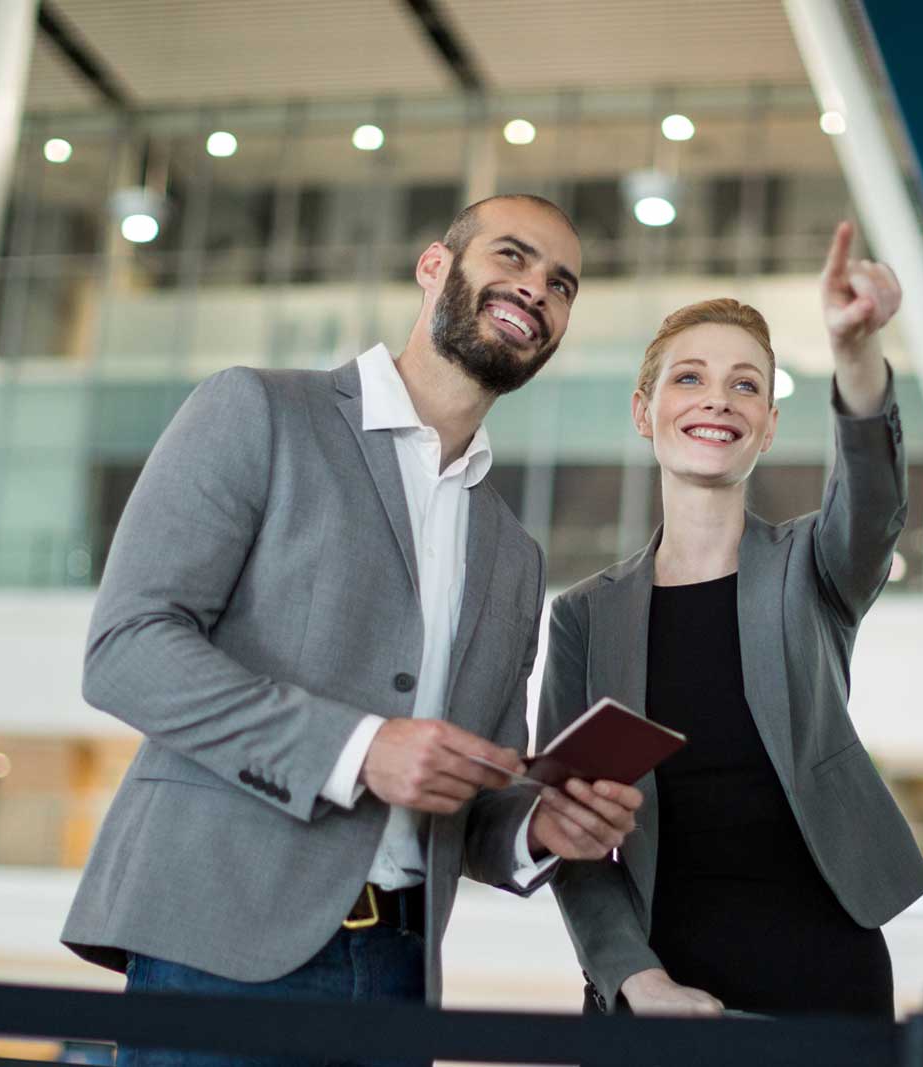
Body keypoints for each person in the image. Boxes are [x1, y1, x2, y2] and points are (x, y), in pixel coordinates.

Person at [61, 194, 644, 1066]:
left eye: (562, 284)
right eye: (512, 257)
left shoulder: (513, 556)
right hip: (222, 952)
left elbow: (473, 788)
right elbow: (127, 649)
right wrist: (358, 749)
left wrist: (538, 829)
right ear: (435, 266)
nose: (536, 290)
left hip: (403, 974)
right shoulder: (257, 412)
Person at [537, 222, 923, 1021]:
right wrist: (637, 981)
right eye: (690, 378)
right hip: (658, 986)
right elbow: (569, 837)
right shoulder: (584, 616)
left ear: (769, 426)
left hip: (826, 982)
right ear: (644, 412)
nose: (719, 397)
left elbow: (872, 505)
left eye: (747, 384)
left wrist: (856, 355)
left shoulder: (812, 569)